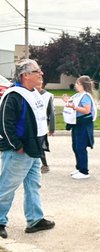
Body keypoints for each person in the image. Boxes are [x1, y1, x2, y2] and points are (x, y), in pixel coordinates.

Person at [0, 59, 54, 237]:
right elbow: (5, 125)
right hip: (19, 151)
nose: (41, 74)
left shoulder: (34, 94)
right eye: (37, 71)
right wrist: (18, 146)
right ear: (25, 75)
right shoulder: (13, 95)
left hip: (33, 150)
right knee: (7, 187)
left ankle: (35, 220)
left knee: (33, 185)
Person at [63, 75, 95, 179]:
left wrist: (74, 107)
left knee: (81, 147)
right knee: (75, 146)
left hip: (83, 124)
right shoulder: (77, 95)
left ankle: (84, 171)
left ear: (83, 85)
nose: (76, 85)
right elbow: (72, 104)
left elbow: (87, 110)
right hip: (76, 123)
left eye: (78, 83)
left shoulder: (85, 96)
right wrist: (67, 101)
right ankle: (79, 167)